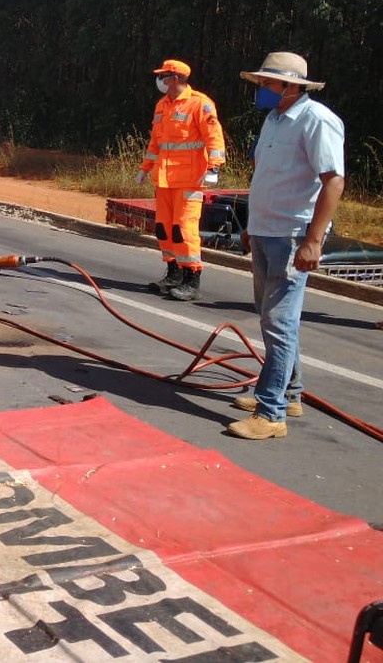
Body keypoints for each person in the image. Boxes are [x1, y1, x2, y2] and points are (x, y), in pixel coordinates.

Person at [229, 52, 344, 440]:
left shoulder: (318, 121)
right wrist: (251, 226)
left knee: (278, 323)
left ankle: (271, 412)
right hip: (266, 231)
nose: (260, 90)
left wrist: (313, 241)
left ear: (292, 86)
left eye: (267, 83)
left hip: (292, 236)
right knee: (271, 315)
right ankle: (290, 393)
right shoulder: (274, 120)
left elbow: (333, 182)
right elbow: (264, 175)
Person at [136, 59, 226, 302]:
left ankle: (191, 278)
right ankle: (173, 273)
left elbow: (214, 137)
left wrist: (214, 167)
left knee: (183, 229)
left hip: (189, 180)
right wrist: (145, 168)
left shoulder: (199, 104)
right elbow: (155, 142)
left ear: (174, 78)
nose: (160, 80)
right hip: (164, 179)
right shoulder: (162, 105)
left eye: (163, 75)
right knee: (164, 228)